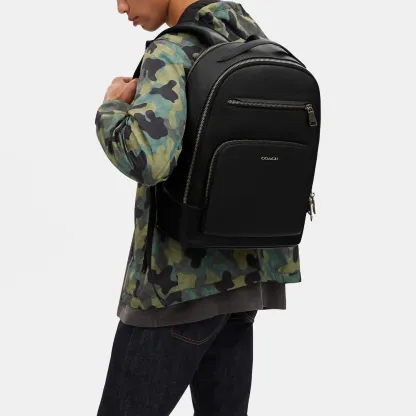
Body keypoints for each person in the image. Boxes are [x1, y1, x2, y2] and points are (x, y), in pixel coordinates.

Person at [95, 1, 302, 414]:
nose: (120, 6)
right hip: (246, 282)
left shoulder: (170, 52)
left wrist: (111, 110)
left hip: (177, 288)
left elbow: (149, 161)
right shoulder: (251, 38)